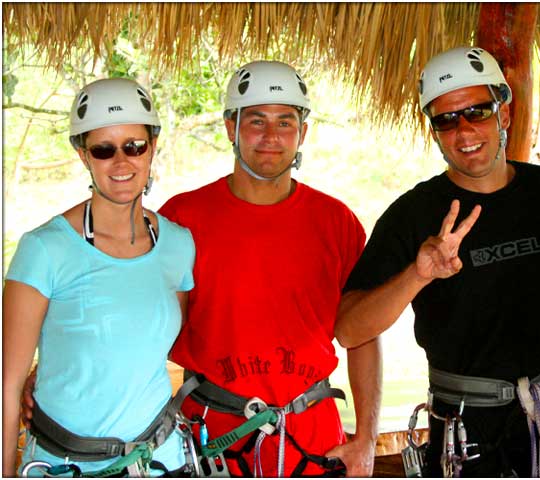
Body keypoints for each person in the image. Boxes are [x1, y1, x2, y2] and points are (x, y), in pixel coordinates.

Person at [335, 45, 540, 477]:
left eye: (478, 111)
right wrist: (418, 274)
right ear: (433, 131)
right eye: (446, 119)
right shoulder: (412, 214)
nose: (464, 130)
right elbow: (350, 328)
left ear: (504, 114)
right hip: (466, 435)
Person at [157, 60, 381, 477]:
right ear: (231, 127)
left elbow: (363, 334)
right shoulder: (181, 219)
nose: (272, 137)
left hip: (314, 437)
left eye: (286, 122)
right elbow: (149, 326)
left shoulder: (336, 222)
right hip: (212, 438)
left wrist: (366, 438)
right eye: (256, 121)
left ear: (303, 133)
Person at [3, 78, 196, 477]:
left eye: (134, 146)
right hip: (65, 464)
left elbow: (152, 343)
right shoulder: (45, 249)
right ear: (82, 155)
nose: (122, 163)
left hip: (160, 462)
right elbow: (7, 385)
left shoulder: (178, 244)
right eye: (103, 150)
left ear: (152, 147)